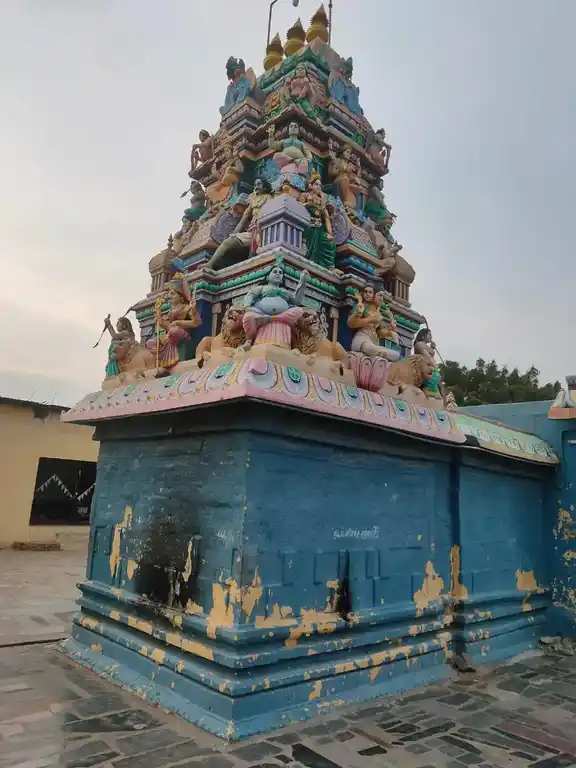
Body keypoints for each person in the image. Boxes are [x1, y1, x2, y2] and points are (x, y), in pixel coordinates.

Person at [242, 261, 309, 350]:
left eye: (280, 273)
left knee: (299, 311)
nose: (278, 274)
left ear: (282, 279)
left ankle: (272, 318)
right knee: (248, 316)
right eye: (275, 272)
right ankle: (249, 339)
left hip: (281, 316)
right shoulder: (262, 288)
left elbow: (296, 301)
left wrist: (302, 282)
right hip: (261, 314)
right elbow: (251, 295)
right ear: (267, 277)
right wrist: (247, 306)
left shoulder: (285, 291)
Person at [146, 273, 201, 373]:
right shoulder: (171, 310)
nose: (169, 296)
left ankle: (171, 356)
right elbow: (165, 325)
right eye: (169, 294)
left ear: (181, 297)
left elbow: (196, 323)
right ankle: (165, 361)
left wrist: (179, 322)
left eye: (173, 294)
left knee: (174, 331)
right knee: (150, 343)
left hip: (182, 333)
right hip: (171, 335)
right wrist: (158, 310)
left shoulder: (186, 308)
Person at [413, 327, 442, 398]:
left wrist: (431, 348)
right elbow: (428, 358)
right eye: (429, 335)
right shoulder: (419, 344)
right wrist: (436, 369)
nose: (431, 337)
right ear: (423, 336)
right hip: (424, 370)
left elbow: (430, 356)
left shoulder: (425, 346)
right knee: (435, 376)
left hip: (429, 369)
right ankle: (426, 390)